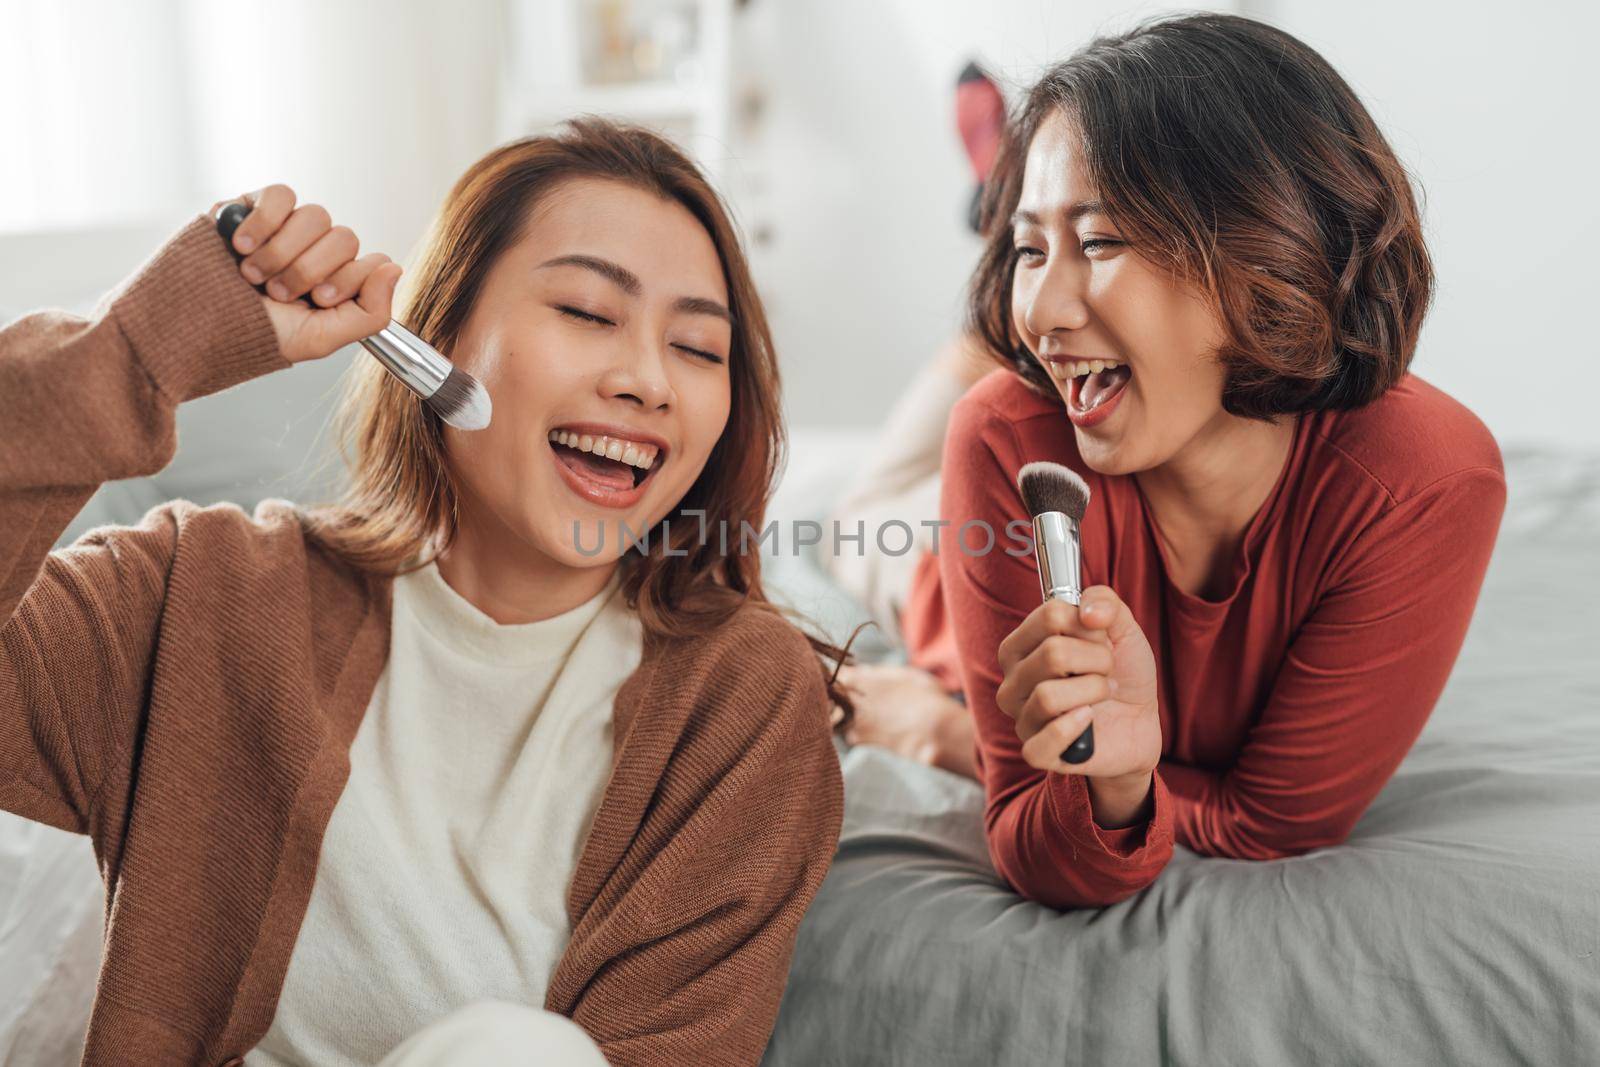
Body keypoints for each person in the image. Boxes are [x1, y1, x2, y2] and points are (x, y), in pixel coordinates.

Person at [0, 119, 848, 1065]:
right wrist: (143, 343)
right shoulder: (204, 593)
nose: (649, 380)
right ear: (438, 340)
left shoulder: (744, 696)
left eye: (697, 348)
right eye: (587, 313)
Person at [837, 13, 1506, 911]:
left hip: (1097, 380)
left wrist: (943, 734)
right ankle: (1004, 205)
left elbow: (1271, 824)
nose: (1042, 306)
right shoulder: (1004, 438)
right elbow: (1032, 820)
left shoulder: (1426, 484)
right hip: (938, 565)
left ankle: (1008, 194)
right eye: (1031, 252)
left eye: (1101, 239)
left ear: (1267, 249)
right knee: (859, 522)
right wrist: (1103, 782)